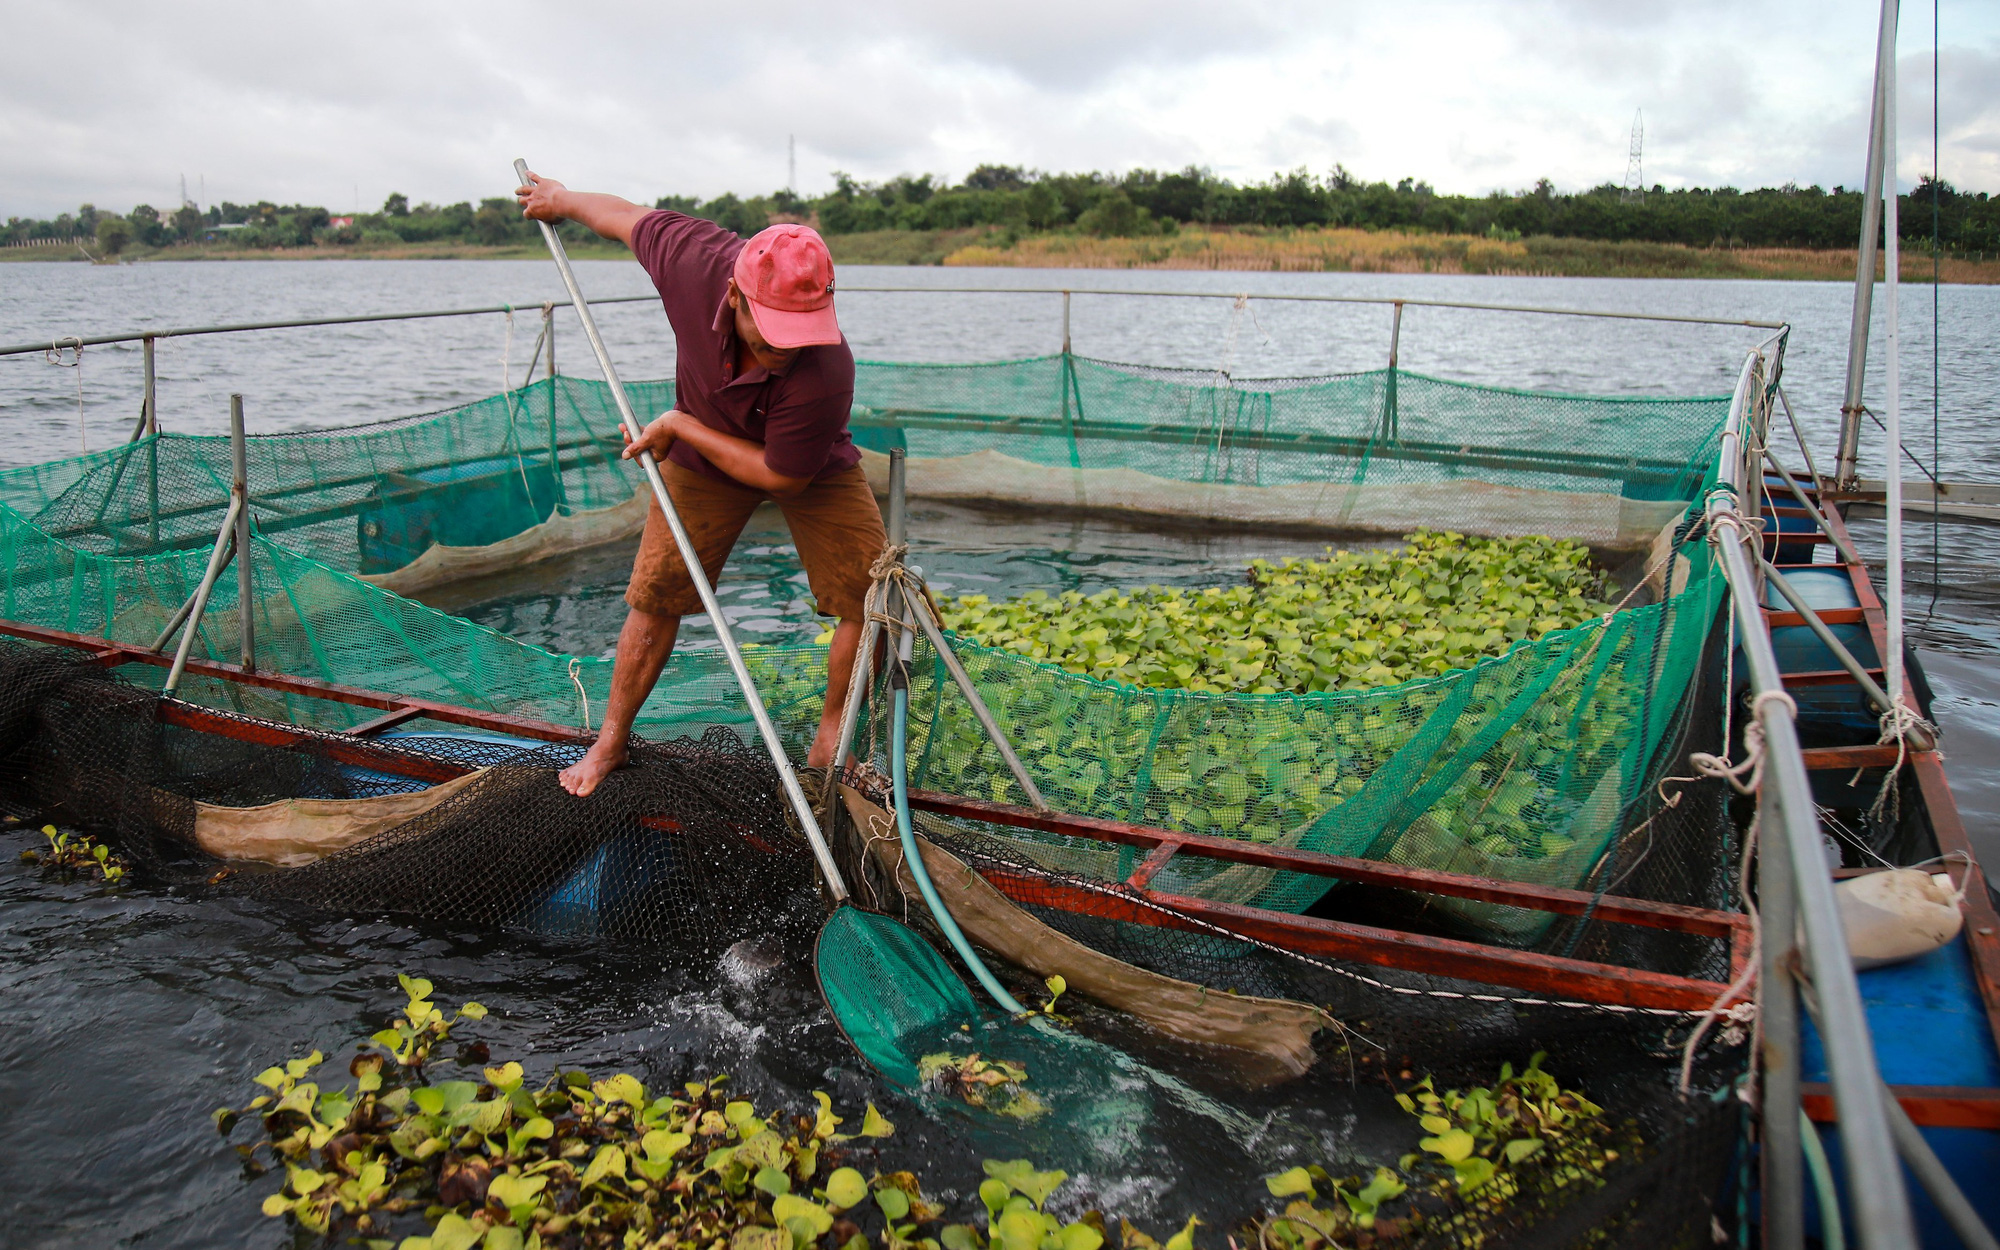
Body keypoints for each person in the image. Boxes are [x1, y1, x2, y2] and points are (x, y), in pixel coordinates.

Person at [516, 171, 885, 798]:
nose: (786, 349)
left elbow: (782, 476)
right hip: (703, 460)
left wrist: (680, 424)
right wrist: (563, 200)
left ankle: (831, 743)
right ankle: (611, 741)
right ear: (736, 296)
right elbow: (627, 217)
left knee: (873, 592)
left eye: (801, 332)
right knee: (655, 591)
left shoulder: (825, 366)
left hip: (804, 464)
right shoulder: (695, 261)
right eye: (773, 331)